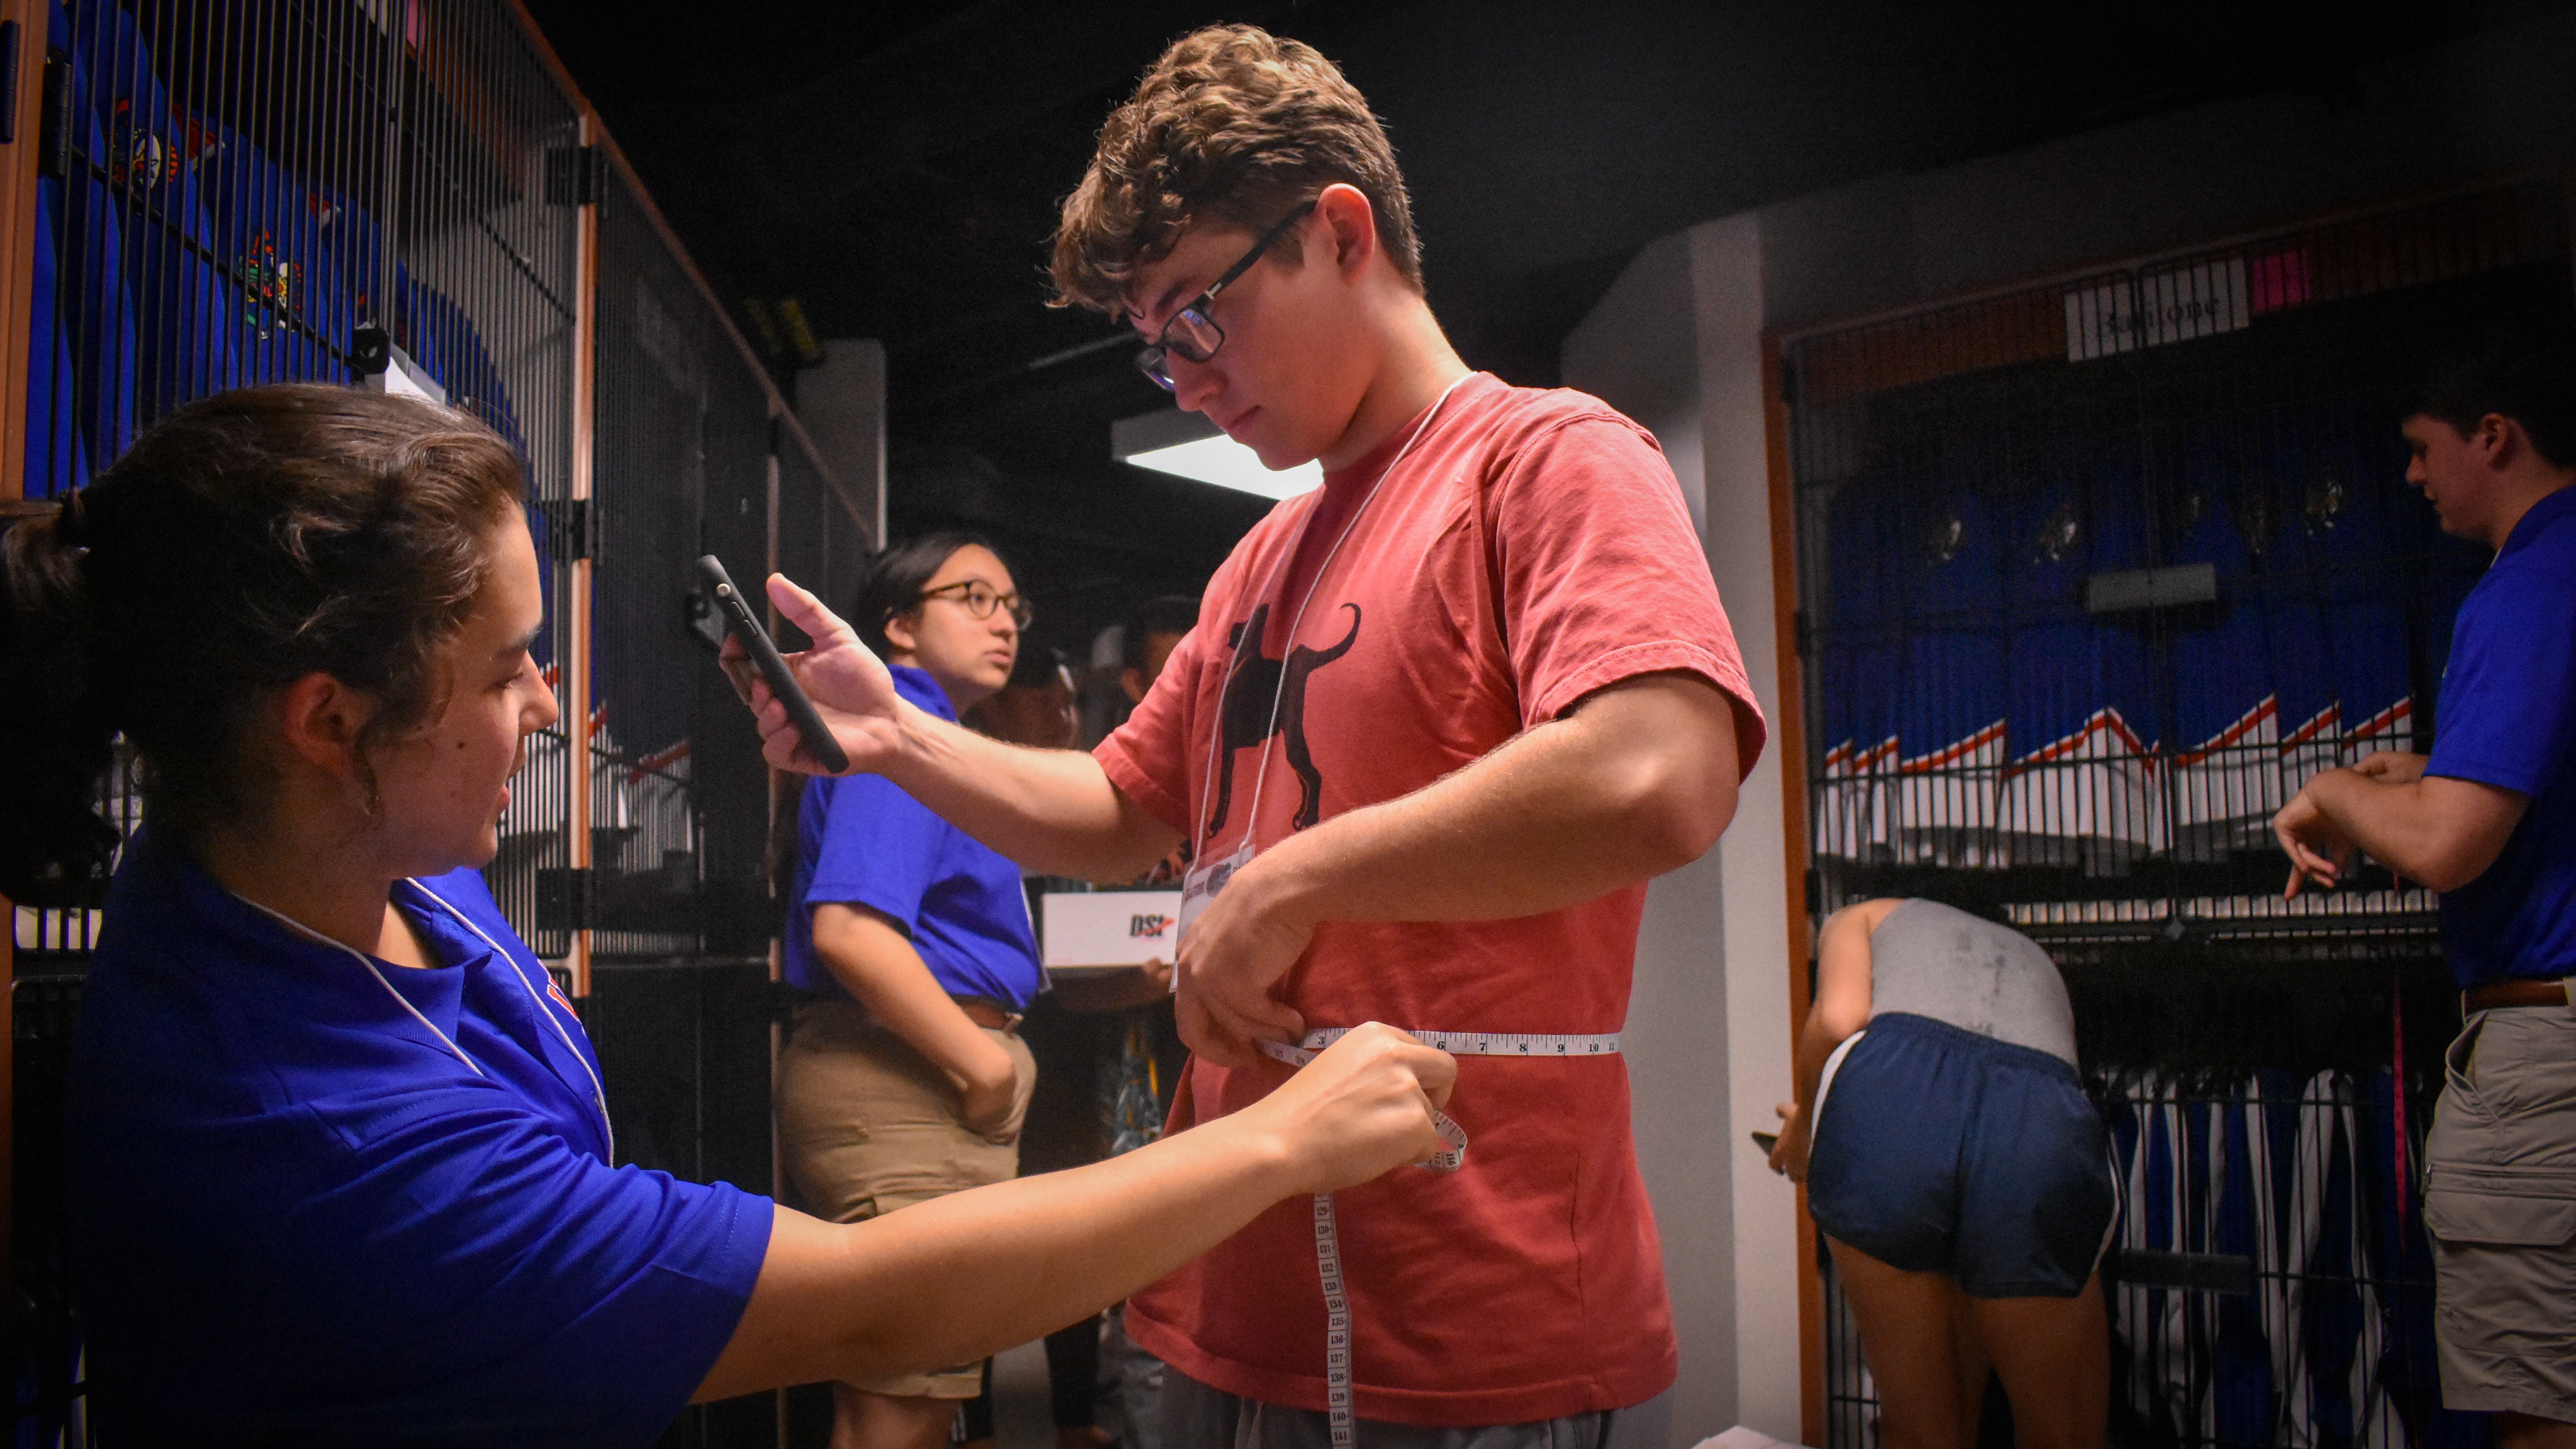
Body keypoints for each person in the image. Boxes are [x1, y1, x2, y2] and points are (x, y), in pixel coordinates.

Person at [1, 385, 1457, 1446]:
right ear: (327, 719)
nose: (548, 706)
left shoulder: (309, 853)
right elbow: (875, 1300)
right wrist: (1282, 1137)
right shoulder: (333, 1155)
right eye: (508, 666)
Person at [728, 24, 1765, 1443]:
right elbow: (1119, 804)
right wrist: (894, 741)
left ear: (1340, 232)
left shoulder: (1548, 457)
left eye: (1195, 317)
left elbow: (1661, 770)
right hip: (1228, 1280)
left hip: (1461, 1301)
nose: (1189, 375)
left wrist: (1290, 880)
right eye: (1157, 351)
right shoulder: (1257, 564)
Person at [2272, 331, 2576, 1444]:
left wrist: (2333, 789)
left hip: (2550, 1061)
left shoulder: (2530, 583)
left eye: (2421, 448)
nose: (2411, 476)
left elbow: (2450, 844)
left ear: (2492, 435)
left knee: (2540, 1405)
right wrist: (2426, 769)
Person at [778, 531, 1047, 1449]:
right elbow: (851, 931)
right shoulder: (904, 729)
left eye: (1012, 605)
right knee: (902, 1406)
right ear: (897, 624)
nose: (1002, 620)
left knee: (901, 1395)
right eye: (973, 595)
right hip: (910, 1078)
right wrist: (983, 1067)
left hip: (910, 1074)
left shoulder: (931, 736)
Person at [1766, 899, 2112, 1449]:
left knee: (1920, 1427)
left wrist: (1806, 1129)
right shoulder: (2035, 956)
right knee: (2062, 1432)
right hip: (2037, 1115)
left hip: (1892, 1103)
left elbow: (1838, 1019)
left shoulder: (1862, 914)